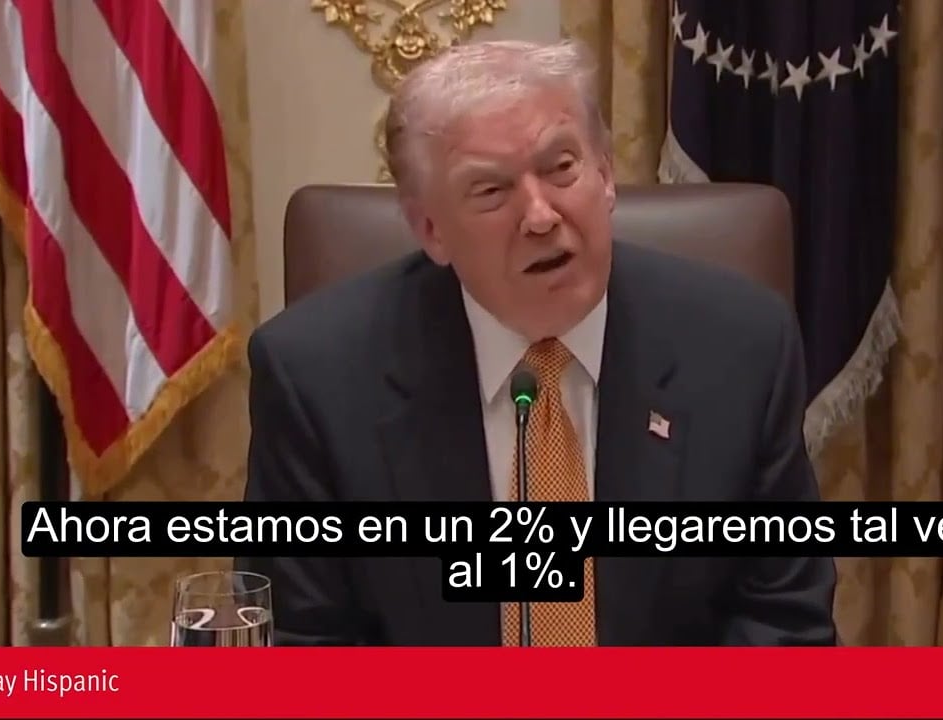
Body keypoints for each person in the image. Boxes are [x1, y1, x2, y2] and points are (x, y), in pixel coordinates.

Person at [238, 39, 838, 646]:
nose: (541, 216)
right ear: (430, 229)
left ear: (604, 175)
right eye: (491, 192)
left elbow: (782, 623)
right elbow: (300, 643)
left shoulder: (741, 348)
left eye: (561, 168)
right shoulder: (315, 376)